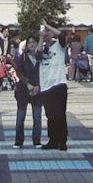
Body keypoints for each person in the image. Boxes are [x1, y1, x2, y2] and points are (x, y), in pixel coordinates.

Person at [36, 22, 67, 151]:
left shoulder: (59, 46)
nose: (47, 34)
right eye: (45, 32)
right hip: (46, 86)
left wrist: (47, 26)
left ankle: (62, 141)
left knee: (60, 114)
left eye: (48, 32)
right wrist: (41, 38)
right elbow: (37, 56)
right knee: (50, 115)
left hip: (58, 83)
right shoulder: (42, 48)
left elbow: (62, 35)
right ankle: (53, 140)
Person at [10, 35, 42, 148]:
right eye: (30, 43)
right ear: (26, 45)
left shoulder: (41, 57)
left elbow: (44, 72)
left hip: (37, 91)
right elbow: (19, 71)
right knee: (20, 116)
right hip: (23, 90)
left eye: (34, 42)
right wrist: (27, 84)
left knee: (37, 117)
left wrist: (38, 86)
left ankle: (37, 141)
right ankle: (18, 141)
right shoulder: (22, 57)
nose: (32, 44)